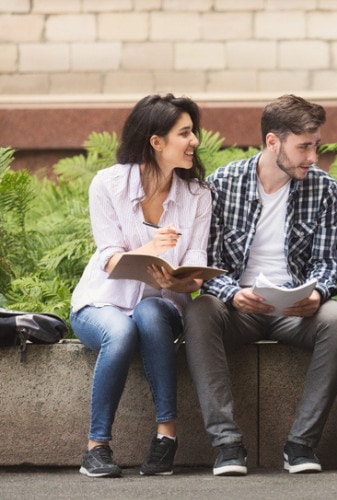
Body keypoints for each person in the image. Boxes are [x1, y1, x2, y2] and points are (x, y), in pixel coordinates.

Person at [183, 94, 337, 476]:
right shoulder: (223, 184)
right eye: (304, 147)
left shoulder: (325, 189)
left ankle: (301, 444)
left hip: (295, 311)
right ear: (273, 142)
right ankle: (227, 445)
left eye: (316, 146)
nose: (313, 157)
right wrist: (233, 294)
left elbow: (327, 262)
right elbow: (208, 261)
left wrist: (317, 294)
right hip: (237, 310)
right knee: (199, 311)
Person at [70, 94, 212, 478]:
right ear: (156, 142)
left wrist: (188, 277)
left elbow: (195, 262)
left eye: (193, 132)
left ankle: (166, 437)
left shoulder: (197, 194)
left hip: (162, 303)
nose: (194, 140)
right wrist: (152, 249)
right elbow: (110, 257)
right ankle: (96, 448)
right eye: (185, 133)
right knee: (121, 330)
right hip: (103, 301)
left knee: (148, 313)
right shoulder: (108, 185)